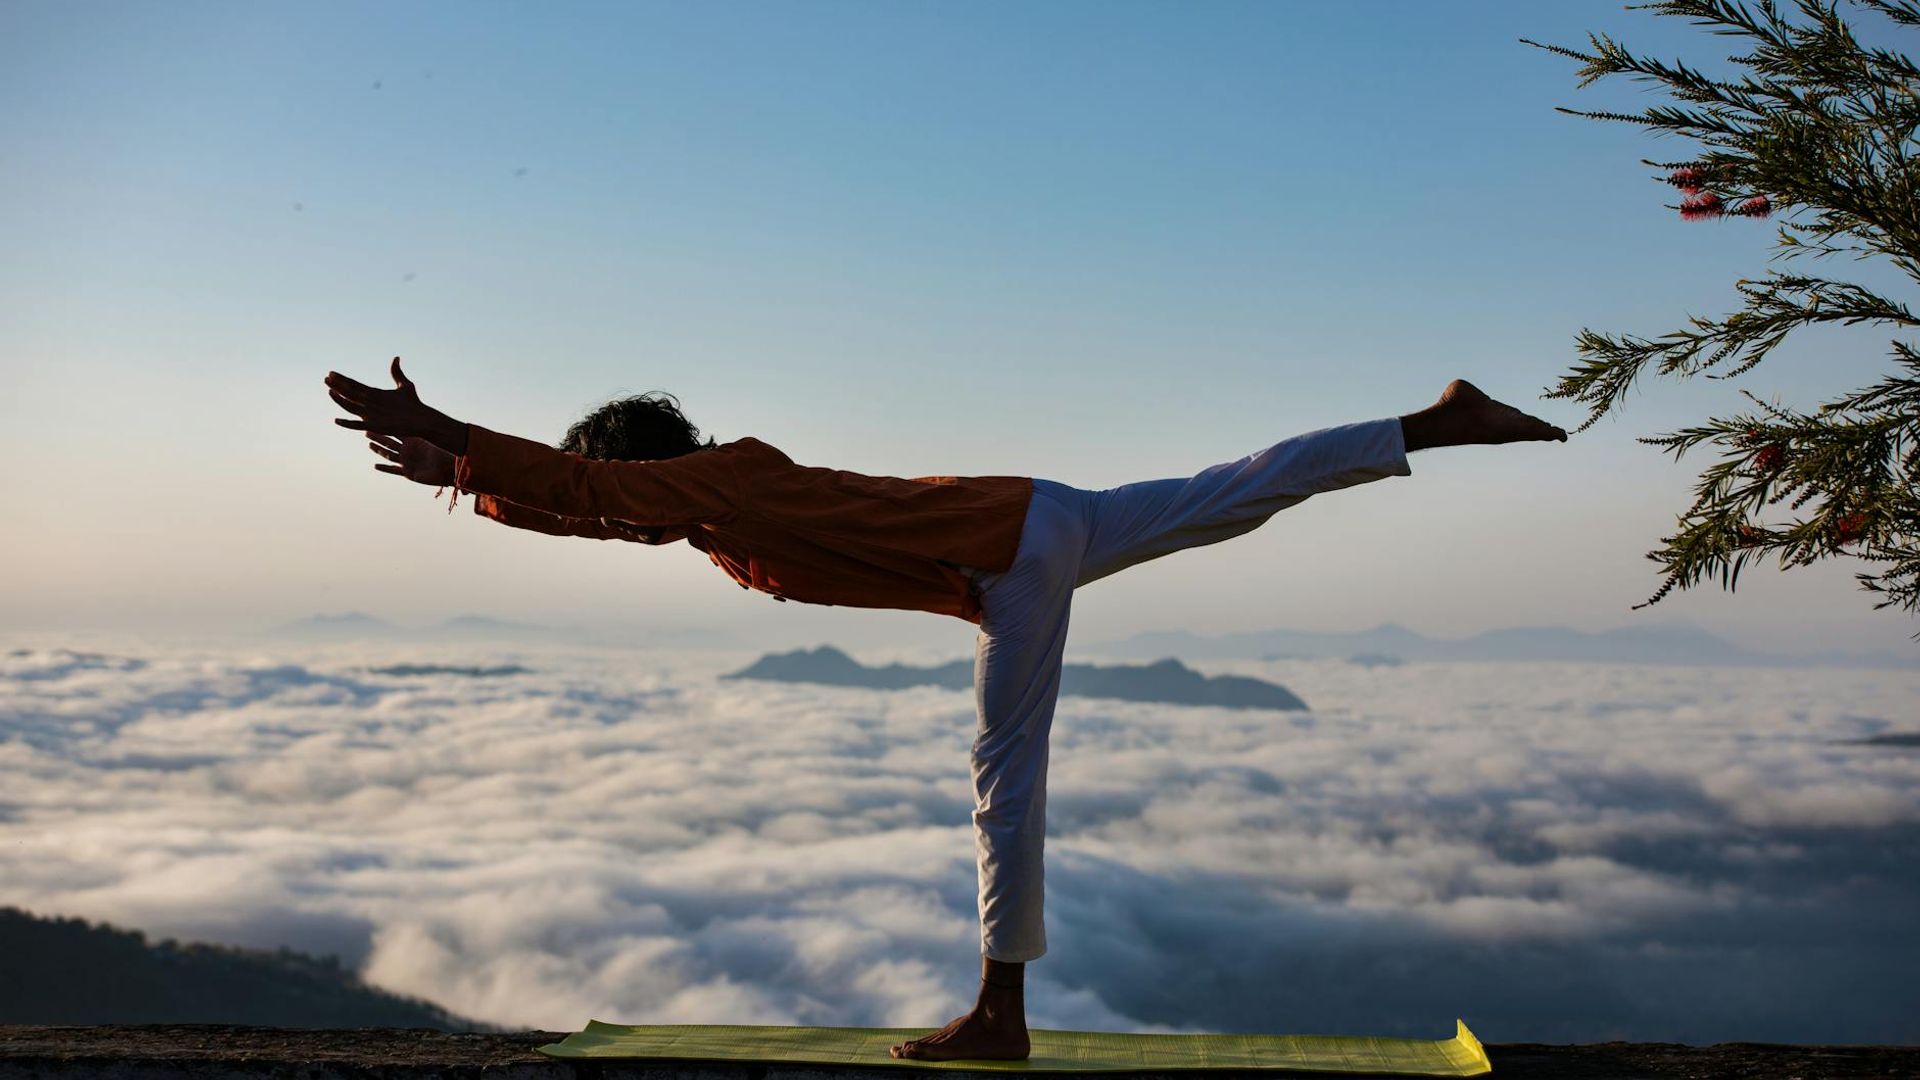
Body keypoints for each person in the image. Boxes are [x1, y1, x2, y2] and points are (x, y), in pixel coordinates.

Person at [325, 358, 1567, 1061]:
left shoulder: (722, 478)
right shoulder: (708, 515)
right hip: (1043, 519)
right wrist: (472, 484)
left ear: (653, 462)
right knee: (1233, 490)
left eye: (626, 487)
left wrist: (457, 438)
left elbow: (593, 489)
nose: (625, 512)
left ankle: (1000, 1015)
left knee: (1004, 778)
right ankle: (1433, 423)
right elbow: (595, 508)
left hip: (1012, 557)